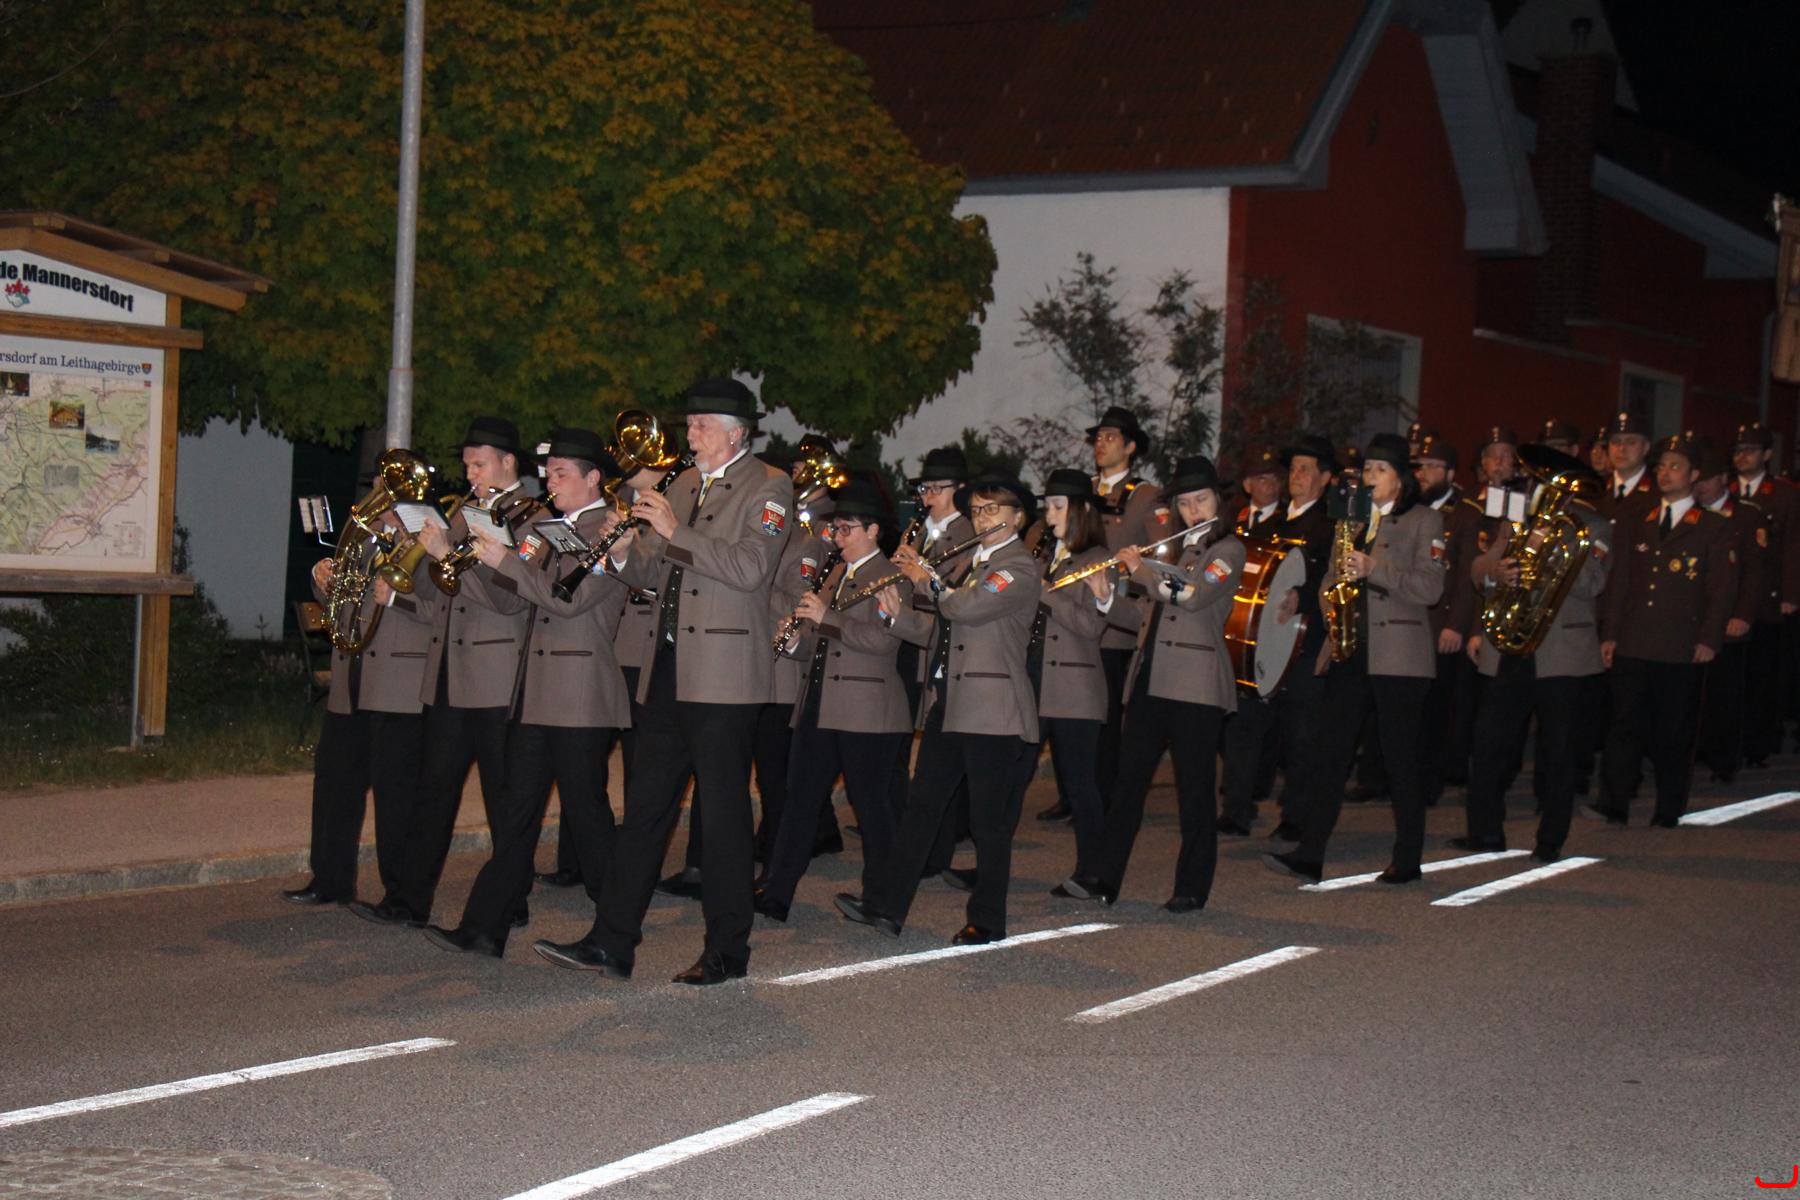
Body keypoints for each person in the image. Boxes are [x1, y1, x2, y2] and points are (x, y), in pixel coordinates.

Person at [533, 378, 793, 985]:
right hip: (668, 667)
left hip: (725, 676)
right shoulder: (682, 483)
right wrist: (625, 550)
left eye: (701, 426)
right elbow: (652, 570)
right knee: (644, 812)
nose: (690, 435)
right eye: (690, 425)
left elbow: (751, 569)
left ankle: (727, 950)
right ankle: (611, 942)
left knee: (723, 819)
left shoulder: (769, 486)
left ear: (736, 433)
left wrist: (676, 531)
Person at [420, 428, 633, 958]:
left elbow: (567, 600)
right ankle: (483, 927)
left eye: (561, 473)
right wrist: (468, 558)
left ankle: (616, 932)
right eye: (548, 472)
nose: (550, 482)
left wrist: (505, 562)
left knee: (588, 816)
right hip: (536, 691)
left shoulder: (612, 531)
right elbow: (510, 599)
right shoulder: (547, 530)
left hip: (582, 694)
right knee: (515, 814)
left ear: (593, 478)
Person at [838, 475, 1042, 944]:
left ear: (1017, 518)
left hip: (993, 710)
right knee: (921, 810)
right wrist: (896, 617)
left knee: (988, 823)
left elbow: (965, 608)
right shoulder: (974, 564)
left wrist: (925, 578)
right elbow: (943, 630)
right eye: (978, 510)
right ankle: (886, 907)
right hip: (951, 704)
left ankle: (987, 920)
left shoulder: (1017, 568)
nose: (982, 519)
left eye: (993, 510)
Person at [348, 416, 533, 928]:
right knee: (433, 793)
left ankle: (510, 899)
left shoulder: (529, 517)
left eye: (480, 464)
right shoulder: (461, 513)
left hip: (495, 677)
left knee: (502, 798)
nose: (471, 474)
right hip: (448, 671)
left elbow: (508, 599)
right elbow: (438, 596)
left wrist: (446, 553)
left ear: (508, 463)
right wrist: (404, 580)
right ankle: (408, 900)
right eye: (467, 464)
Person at [1057, 455, 1244, 912]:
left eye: (1201, 500)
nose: (1193, 510)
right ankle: (1103, 877)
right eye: (1185, 503)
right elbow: (1144, 615)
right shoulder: (1172, 550)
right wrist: (1106, 600)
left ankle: (1191, 887)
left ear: (1218, 502)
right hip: (1151, 677)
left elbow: (1193, 596)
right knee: (1128, 784)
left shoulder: (1227, 551)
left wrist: (1142, 571)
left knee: (1194, 789)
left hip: (1196, 685)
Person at [1266, 432, 1447, 884]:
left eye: (1380, 470)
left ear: (1401, 478)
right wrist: (1331, 603)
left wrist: (1375, 569)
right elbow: (1329, 576)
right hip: (1350, 651)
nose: (1370, 477)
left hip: (1399, 658)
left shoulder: (1424, 520)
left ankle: (1408, 858)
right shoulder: (1351, 517)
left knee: (1400, 758)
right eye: (1367, 469)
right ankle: (1310, 853)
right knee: (1331, 755)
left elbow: (1430, 587)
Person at [755, 479, 913, 920]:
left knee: (872, 808)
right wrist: (794, 642)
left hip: (867, 710)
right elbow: (819, 641)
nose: (837, 538)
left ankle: (882, 901)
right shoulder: (835, 575)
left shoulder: (892, 578)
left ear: (873, 530)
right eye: (835, 530)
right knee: (799, 801)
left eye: (846, 529)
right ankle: (776, 893)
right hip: (819, 703)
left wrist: (827, 618)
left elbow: (882, 642)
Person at [1462, 464, 1611, 862]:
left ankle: (1550, 840)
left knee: (1558, 749)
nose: (1544, 490)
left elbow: (1593, 583)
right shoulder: (1517, 518)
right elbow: (1479, 567)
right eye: (1540, 482)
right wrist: (1497, 571)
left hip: (1562, 653)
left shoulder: (1592, 526)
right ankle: (1485, 832)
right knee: (1489, 743)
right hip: (1511, 646)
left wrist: (1549, 554)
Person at [1587, 434, 1737, 827]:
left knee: (1674, 730)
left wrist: (1709, 638)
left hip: (1680, 644)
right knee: (1623, 725)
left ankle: (1669, 807)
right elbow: (1620, 582)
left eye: (1675, 467)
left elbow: (1721, 589)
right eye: (1661, 466)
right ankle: (1614, 802)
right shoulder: (1641, 520)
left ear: (1694, 474)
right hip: (1634, 640)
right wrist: (1610, 634)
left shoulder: (1712, 527)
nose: (1666, 473)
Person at [283, 516, 431, 907]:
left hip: (398, 686)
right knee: (334, 783)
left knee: (395, 794)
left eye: (389, 496)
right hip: (351, 680)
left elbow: (445, 610)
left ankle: (400, 893)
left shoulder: (430, 543)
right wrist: (321, 579)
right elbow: (339, 603)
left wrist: (397, 599)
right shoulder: (363, 540)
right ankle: (330, 879)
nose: (380, 504)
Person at [1072, 406, 1165, 819]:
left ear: (1130, 447)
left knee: (1105, 714)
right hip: (1072, 614)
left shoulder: (1146, 497)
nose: (1101, 443)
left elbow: (1159, 555)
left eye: (1110, 437)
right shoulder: (1082, 489)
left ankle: (1103, 793)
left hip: (1112, 621)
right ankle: (1074, 793)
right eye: (1098, 437)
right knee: (1072, 710)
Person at [1022, 470, 1113, 891]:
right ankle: (989, 869)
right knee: (1012, 777)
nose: (1049, 515)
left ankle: (1093, 871)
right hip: (1033, 679)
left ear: (1082, 511)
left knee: (1079, 784)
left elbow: (1091, 626)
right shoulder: (1044, 556)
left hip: (1075, 689)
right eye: (1048, 507)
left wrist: (1044, 592)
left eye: (1058, 507)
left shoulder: (1097, 559)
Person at [1692, 437, 1766, 783]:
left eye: (1706, 479)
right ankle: (1697, 750)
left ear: (1724, 478)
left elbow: (1753, 572)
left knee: (1725, 694)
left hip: (1729, 619)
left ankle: (1724, 761)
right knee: (1694, 694)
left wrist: (1743, 615)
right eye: (1696, 479)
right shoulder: (1690, 515)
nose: (1700, 486)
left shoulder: (1746, 516)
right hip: (1693, 618)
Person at [1729, 421, 1799, 767]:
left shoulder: (1784, 494)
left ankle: (1759, 743)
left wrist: (1790, 593)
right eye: (1739, 450)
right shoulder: (1726, 491)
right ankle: (1729, 740)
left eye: (1751, 450)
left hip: (1767, 599)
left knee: (1763, 676)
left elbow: (1792, 546)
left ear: (1767, 455)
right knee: (1731, 677)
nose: (1743, 456)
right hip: (1731, 597)